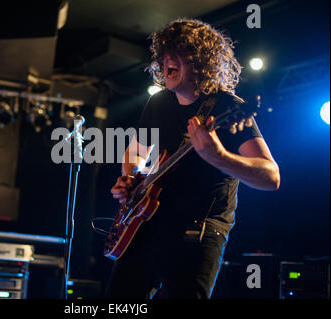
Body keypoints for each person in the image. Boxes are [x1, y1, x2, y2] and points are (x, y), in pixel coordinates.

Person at [107, 18, 280, 298]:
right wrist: (131, 178)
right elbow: (135, 152)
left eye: (179, 52)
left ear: (202, 60)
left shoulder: (229, 107)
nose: (167, 59)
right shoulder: (159, 103)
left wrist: (219, 156)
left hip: (197, 235)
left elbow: (271, 177)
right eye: (164, 52)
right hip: (146, 225)